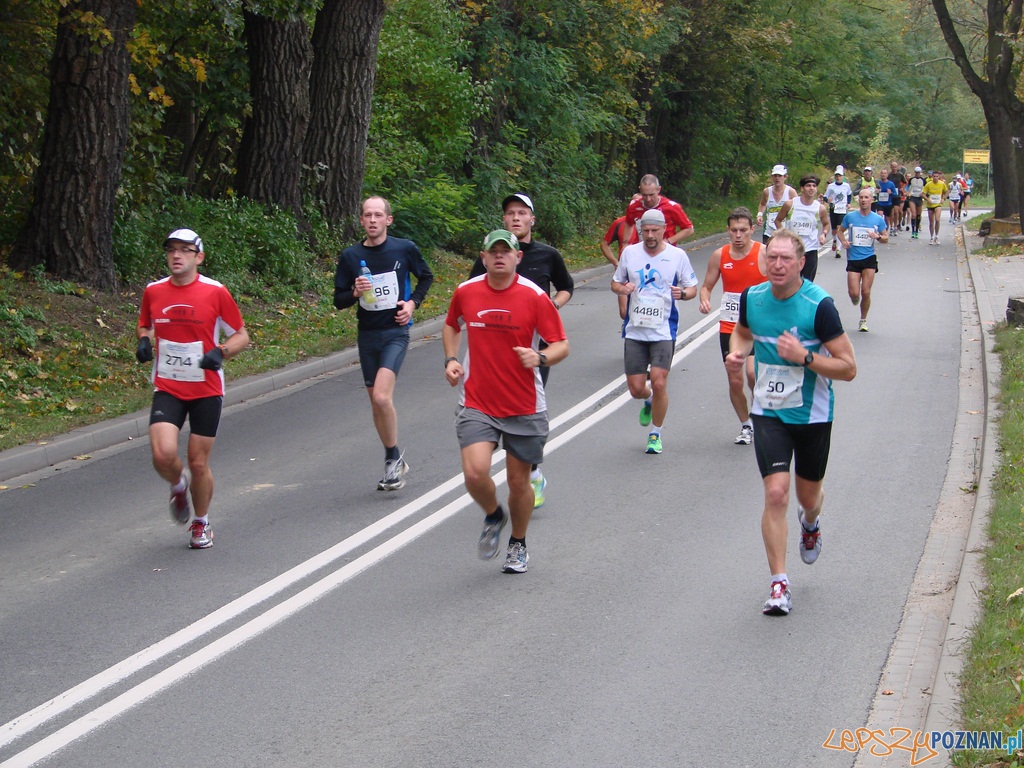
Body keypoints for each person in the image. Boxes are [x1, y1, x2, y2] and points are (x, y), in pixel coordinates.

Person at [725, 229, 857, 616]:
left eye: (786, 259)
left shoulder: (819, 306)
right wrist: (737, 354)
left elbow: (849, 368)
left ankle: (811, 523)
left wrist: (805, 357)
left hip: (813, 415)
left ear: (801, 263)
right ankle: (779, 583)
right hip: (768, 411)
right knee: (776, 493)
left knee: (807, 497)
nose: (778, 265)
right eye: (772, 259)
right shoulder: (753, 298)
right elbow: (743, 333)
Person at [443, 229, 569, 574]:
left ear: (518, 257)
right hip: (477, 400)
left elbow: (561, 344)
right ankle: (494, 514)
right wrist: (451, 359)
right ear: (483, 258)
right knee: (474, 472)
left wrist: (540, 358)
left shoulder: (533, 296)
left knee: (518, 482)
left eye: (506, 251)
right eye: (492, 251)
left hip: (524, 404)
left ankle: (518, 542)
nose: (499, 256)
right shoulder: (467, 292)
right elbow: (452, 325)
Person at [136, 228, 250, 549]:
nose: (176, 256)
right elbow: (144, 322)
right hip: (168, 385)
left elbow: (241, 335)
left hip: (206, 387)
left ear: (198, 257)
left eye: (185, 250)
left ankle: (201, 523)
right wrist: (144, 340)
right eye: (171, 250)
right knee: (162, 454)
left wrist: (221, 352)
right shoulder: (154, 291)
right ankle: (176, 483)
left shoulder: (215, 292)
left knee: (199, 462)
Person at [469, 192, 574, 509]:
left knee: (528, 410)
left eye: (521, 213)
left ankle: (533, 470)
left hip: (535, 347)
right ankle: (519, 464)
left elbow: (566, 286)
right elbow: (472, 293)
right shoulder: (490, 255)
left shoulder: (547, 255)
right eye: (510, 213)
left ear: (532, 220)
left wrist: (552, 307)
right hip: (497, 347)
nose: (515, 217)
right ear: (504, 219)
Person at [334, 196, 434, 491]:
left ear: (389, 220)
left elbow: (426, 277)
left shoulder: (404, 248)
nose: (373, 220)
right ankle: (393, 459)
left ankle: (393, 459)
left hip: (395, 332)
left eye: (379, 215)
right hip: (368, 335)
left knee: (381, 397)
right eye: (368, 215)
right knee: (376, 404)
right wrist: (353, 292)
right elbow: (338, 300)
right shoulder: (351, 256)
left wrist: (412, 305)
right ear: (362, 220)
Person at [611, 208, 698, 454]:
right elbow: (615, 282)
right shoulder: (630, 253)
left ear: (664, 230)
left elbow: (691, 286)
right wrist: (622, 289)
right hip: (635, 330)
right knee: (637, 389)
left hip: (663, 330)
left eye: (654, 230)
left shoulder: (677, 256)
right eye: (646, 230)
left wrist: (684, 294)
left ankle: (655, 434)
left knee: (660, 383)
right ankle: (647, 399)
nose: (650, 235)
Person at [698, 207, 767, 445]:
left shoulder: (763, 254)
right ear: (728, 230)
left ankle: (761, 415)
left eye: (743, 230)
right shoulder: (720, 255)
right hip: (730, 326)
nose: (738, 235)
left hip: (758, 326)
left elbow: (779, 286)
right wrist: (704, 298)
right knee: (735, 379)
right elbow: (707, 285)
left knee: (752, 374)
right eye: (734, 230)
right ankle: (746, 425)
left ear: (752, 229)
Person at [838, 187, 888, 332]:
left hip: (869, 258)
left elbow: (885, 238)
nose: (863, 200)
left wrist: (877, 236)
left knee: (865, 291)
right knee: (854, 293)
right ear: (858, 200)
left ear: (872, 200)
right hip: (853, 259)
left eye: (866, 197)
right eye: (861, 197)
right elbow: (841, 231)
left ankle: (863, 320)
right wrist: (844, 242)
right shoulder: (850, 217)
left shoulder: (877, 219)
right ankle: (855, 299)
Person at [773, 174, 830, 280]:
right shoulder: (790, 204)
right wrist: (784, 234)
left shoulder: (820, 208)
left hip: (810, 249)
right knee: (790, 281)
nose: (812, 188)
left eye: (814, 186)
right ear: (802, 188)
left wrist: (823, 233)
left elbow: (826, 224)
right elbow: (778, 220)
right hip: (792, 249)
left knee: (807, 284)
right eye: (808, 185)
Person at [601, 194, 642, 320]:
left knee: (642, 309)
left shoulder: (650, 225)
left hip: (644, 271)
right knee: (624, 313)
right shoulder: (620, 223)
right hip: (625, 271)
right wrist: (615, 262)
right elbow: (604, 243)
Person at [622, 175, 695, 245]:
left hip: (666, 252)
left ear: (658, 189)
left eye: (651, 195)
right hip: (642, 251)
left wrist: (668, 241)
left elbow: (689, 229)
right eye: (644, 195)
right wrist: (626, 242)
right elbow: (629, 223)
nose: (648, 199)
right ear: (640, 189)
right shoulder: (634, 206)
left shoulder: (671, 207)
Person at [756, 164, 797, 244]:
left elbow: (797, 208)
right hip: (769, 231)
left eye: (780, 176)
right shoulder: (767, 191)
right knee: (767, 254)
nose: (777, 178)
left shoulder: (790, 192)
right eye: (775, 176)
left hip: (785, 231)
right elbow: (762, 204)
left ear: (785, 177)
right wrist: (760, 215)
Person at [824, 166, 852, 257]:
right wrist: (828, 200)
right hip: (833, 208)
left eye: (839, 175)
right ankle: (834, 240)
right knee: (834, 230)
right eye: (836, 175)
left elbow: (849, 195)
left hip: (842, 209)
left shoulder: (846, 186)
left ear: (842, 176)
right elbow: (825, 196)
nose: (838, 177)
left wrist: (849, 203)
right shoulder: (831, 186)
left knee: (840, 228)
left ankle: (838, 250)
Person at [922, 170, 949, 245]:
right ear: (932, 176)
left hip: (938, 204)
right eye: (934, 176)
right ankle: (931, 237)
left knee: (937, 220)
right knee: (931, 222)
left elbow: (947, 191)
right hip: (930, 205)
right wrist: (927, 199)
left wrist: (943, 198)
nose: (936, 178)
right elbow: (923, 194)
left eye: (937, 176)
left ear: (939, 177)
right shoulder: (928, 184)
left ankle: (937, 236)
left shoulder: (942, 183)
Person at [875, 168, 898, 236]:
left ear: (887, 175)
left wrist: (891, 193)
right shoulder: (878, 183)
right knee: (880, 216)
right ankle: (880, 231)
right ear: (880, 174)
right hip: (880, 203)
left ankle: (885, 232)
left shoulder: (891, 184)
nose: (883, 175)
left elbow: (895, 194)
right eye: (882, 173)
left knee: (886, 220)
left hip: (888, 204)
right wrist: (876, 192)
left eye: (885, 173)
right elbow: (873, 192)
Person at [906, 166, 926, 239]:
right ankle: (913, 231)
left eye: (918, 172)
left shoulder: (923, 180)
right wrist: (907, 193)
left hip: (920, 198)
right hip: (913, 198)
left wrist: (925, 195)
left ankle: (917, 230)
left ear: (920, 173)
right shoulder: (911, 179)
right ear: (914, 173)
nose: (917, 174)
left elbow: (926, 189)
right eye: (916, 172)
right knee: (913, 214)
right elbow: (907, 187)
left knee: (918, 215)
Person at [888, 161, 908, 234]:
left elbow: (905, 182)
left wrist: (902, 188)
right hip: (890, 196)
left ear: (897, 167)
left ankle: (896, 226)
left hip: (897, 195)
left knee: (896, 212)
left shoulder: (900, 175)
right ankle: (891, 227)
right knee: (891, 212)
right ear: (891, 167)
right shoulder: (889, 175)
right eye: (892, 167)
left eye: (895, 167)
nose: (894, 168)